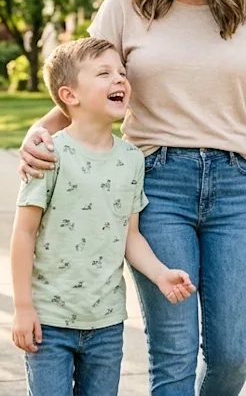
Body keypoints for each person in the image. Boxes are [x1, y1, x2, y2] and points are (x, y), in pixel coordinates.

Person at [16, 0, 246, 396]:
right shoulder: (127, 5)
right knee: (173, 352)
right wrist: (42, 130)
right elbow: (87, 84)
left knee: (232, 355)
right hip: (156, 184)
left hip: (236, 188)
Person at [10, 36, 196, 396]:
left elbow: (131, 236)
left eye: (122, 73)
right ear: (69, 95)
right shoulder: (48, 154)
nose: (120, 80)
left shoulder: (131, 160)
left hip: (107, 323)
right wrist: (22, 307)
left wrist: (160, 275)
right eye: (104, 73)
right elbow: (23, 234)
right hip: (49, 321)